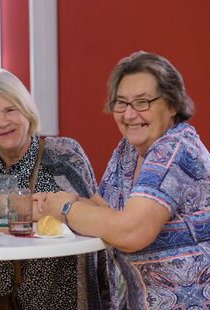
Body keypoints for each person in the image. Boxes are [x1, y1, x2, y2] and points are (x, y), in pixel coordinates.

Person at [35, 51, 210, 309]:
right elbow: (105, 210)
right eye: (121, 103)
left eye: (142, 102)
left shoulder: (176, 149)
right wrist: (56, 201)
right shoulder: (128, 151)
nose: (129, 115)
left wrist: (64, 209)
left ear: (173, 105)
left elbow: (131, 231)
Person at [0, 69, 102, 309]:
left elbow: (90, 210)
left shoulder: (62, 154)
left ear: (26, 110)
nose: (2, 123)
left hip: (58, 297)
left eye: (10, 110)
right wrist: (38, 206)